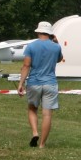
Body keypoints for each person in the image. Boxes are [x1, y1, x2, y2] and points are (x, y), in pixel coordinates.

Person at [17, 20, 63, 148]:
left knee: (32, 108)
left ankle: (35, 132)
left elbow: (26, 65)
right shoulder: (56, 47)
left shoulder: (31, 46)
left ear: (38, 32)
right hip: (50, 83)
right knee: (47, 114)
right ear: (50, 33)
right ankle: (42, 144)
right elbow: (59, 59)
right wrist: (57, 43)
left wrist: (21, 83)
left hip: (34, 83)